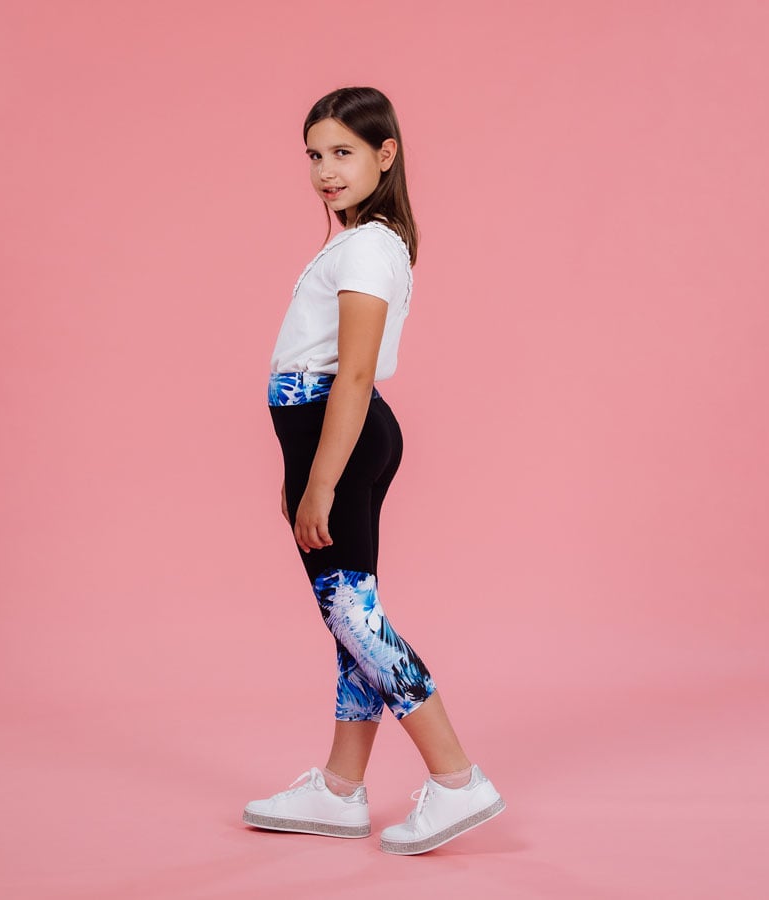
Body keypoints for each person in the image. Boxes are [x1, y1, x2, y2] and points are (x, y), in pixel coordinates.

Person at [242, 86, 506, 856]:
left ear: (385, 155)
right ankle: (339, 790)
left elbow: (352, 375)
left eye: (343, 153)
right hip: (329, 436)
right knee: (349, 616)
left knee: (354, 617)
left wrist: (320, 480)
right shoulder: (362, 241)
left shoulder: (367, 247)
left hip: (342, 434)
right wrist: (301, 469)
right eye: (314, 155)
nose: (325, 171)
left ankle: (457, 779)